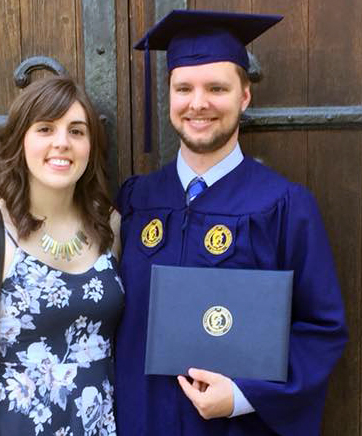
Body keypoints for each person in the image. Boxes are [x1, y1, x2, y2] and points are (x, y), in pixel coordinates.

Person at [114, 9, 348, 436]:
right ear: (169, 95)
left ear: (244, 96)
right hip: (138, 420)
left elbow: (321, 328)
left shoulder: (284, 206)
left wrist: (245, 395)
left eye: (216, 88)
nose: (198, 103)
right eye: (183, 88)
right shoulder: (136, 201)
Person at [0, 76, 124, 436]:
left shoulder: (110, 225)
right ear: (21, 141)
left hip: (99, 426)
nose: (62, 143)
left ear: (90, 145)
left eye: (76, 131)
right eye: (45, 129)